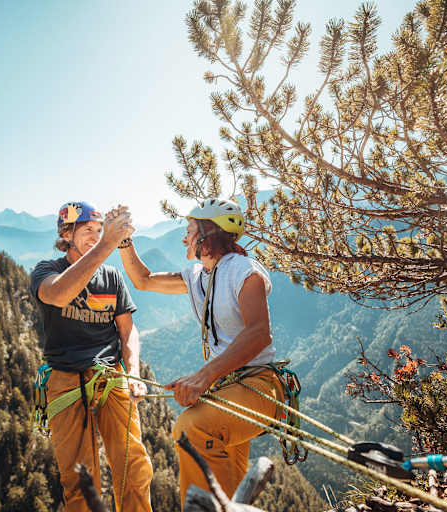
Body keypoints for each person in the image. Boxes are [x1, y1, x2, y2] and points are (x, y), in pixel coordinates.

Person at [116, 198, 284, 508]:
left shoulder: (246, 272)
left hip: (259, 386)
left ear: (208, 234)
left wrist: (203, 376)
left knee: (191, 428)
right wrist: (123, 240)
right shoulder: (197, 275)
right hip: (230, 388)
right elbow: (142, 280)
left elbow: (259, 333)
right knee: (231, 486)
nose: (184, 237)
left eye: (190, 230)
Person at [30, 201, 153, 512]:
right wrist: (109, 242)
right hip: (66, 377)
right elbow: (58, 294)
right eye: (88, 231)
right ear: (66, 234)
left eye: (100, 231)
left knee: (134, 466)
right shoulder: (47, 271)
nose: (96, 237)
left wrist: (134, 371)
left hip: (111, 374)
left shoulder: (111, 277)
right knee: (79, 479)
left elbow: (128, 330)